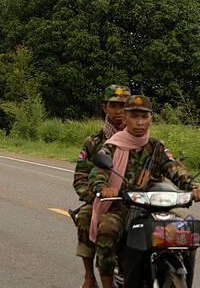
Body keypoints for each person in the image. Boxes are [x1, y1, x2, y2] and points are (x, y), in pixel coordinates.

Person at [87, 95, 200, 288]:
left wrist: (193, 188)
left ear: (151, 119)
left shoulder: (156, 147)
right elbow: (98, 172)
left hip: (154, 207)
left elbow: (174, 168)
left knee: (186, 231)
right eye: (134, 116)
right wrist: (103, 188)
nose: (140, 122)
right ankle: (108, 284)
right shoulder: (112, 145)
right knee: (107, 230)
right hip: (122, 205)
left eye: (144, 117)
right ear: (125, 119)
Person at [71, 85, 130, 288]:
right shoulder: (94, 142)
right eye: (113, 105)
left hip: (138, 201)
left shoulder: (143, 139)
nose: (119, 110)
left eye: (123, 105)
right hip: (103, 201)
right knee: (86, 218)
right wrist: (96, 196)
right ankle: (89, 276)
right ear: (105, 107)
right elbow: (80, 178)